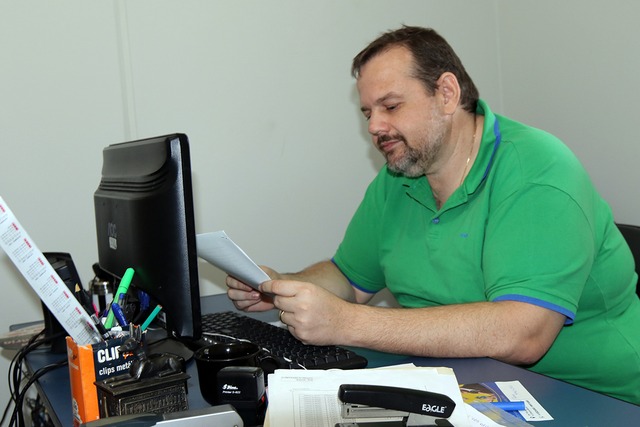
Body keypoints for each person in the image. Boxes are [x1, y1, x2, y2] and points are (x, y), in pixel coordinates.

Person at [226, 26, 640, 404]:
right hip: (467, 385)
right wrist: (280, 285)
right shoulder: (401, 176)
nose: (375, 126)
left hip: (594, 398)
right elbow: (349, 279)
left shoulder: (538, 171)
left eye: (390, 106)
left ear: (446, 94)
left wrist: (346, 323)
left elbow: (523, 333)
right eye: (368, 113)